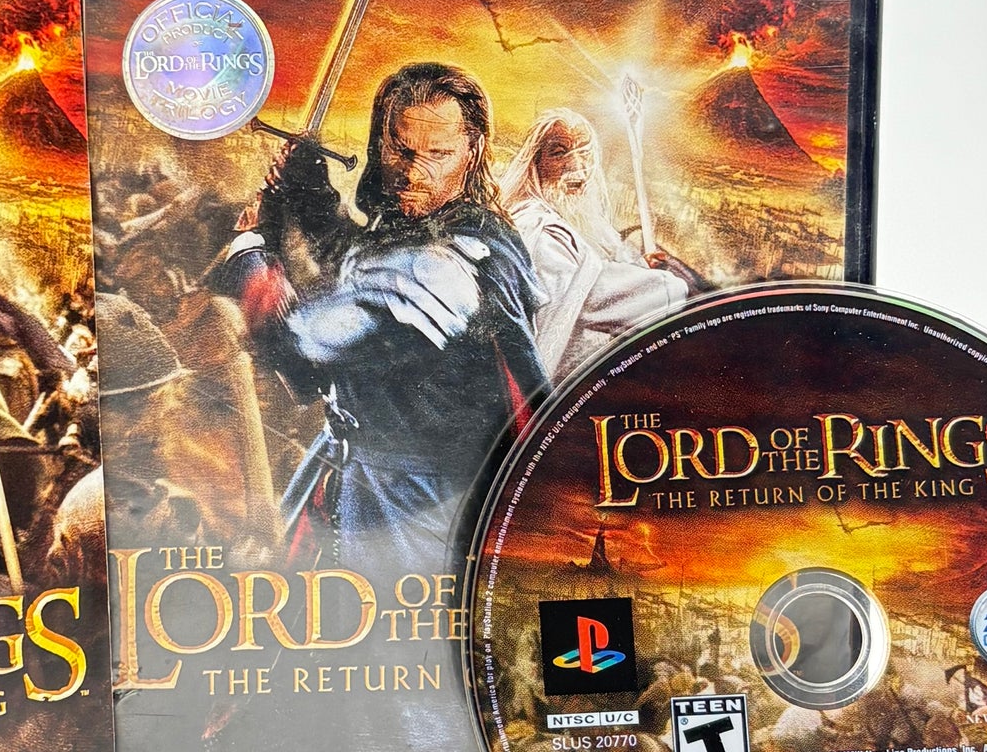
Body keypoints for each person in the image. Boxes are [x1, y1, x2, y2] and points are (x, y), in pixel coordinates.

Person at [212, 59, 547, 586]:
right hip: (352, 470)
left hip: (412, 507)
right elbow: (363, 268)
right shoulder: (420, 229)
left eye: (438, 154)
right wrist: (311, 194)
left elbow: (301, 349)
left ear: (472, 152)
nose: (414, 173)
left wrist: (248, 251)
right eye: (402, 151)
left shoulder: (454, 263)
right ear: (380, 144)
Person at [496, 109, 688, 385]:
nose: (576, 165)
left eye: (584, 152)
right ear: (535, 163)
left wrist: (639, 266)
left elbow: (593, 265)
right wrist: (668, 285)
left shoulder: (571, 217)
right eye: (559, 153)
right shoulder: (536, 228)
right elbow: (592, 294)